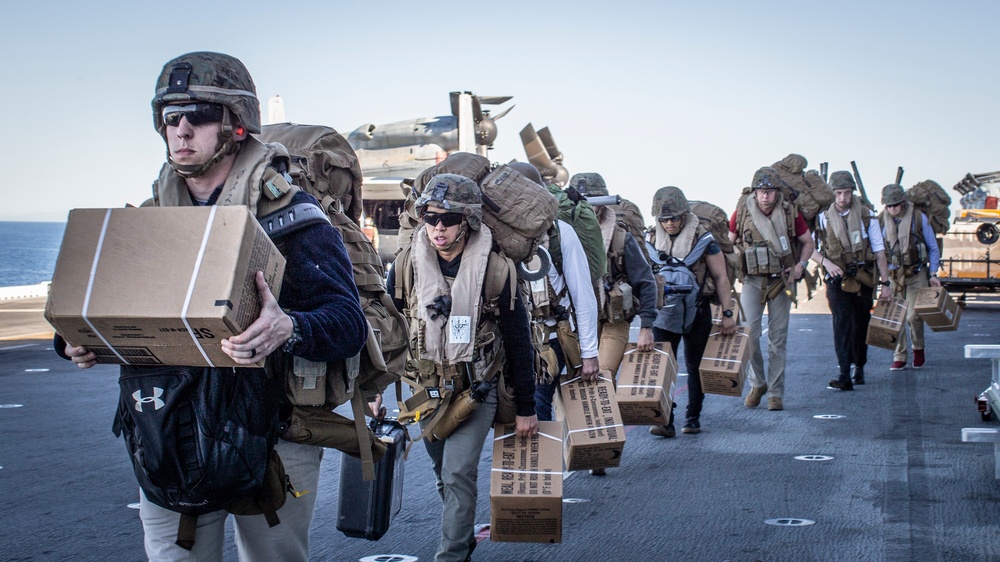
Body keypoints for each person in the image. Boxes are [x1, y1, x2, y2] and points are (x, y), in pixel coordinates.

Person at [58, 52, 367, 561]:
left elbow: (347, 323)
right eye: (169, 117)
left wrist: (286, 328)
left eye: (198, 115)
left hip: (272, 433)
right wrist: (75, 340)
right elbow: (103, 308)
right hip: (169, 428)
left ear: (236, 125)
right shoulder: (151, 220)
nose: (181, 130)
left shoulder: (295, 218)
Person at [386, 173, 538, 562]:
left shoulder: (496, 271)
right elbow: (388, 333)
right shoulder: (405, 267)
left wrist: (526, 408)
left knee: (457, 474)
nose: (438, 227)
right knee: (444, 476)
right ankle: (463, 534)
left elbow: (520, 343)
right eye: (430, 217)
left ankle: (451, 555)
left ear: (468, 221)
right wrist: (372, 391)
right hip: (426, 389)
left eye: (448, 219)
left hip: (477, 388)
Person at [508, 164, 601, 422]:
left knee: (537, 404)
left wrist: (589, 353)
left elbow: (583, 292)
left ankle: (540, 461)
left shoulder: (560, 233)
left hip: (548, 336)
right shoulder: (493, 234)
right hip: (509, 339)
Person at [648, 186, 737, 435]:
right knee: (663, 366)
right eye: (663, 219)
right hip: (665, 312)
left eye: (674, 218)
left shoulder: (704, 239)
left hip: (698, 309)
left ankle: (693, 417)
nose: (669, 223)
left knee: (695, 364)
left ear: (684, 215)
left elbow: (721, 277)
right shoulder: (651, 239)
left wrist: (728, 314)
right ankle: (666, 420)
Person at [729, 167, 815, 411]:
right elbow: (728, 242)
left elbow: (808, 242)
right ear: (754, 192)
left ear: (777, 193)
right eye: (761, 191)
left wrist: (801, 265)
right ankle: (758, 383)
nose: (765, 196)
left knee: (778, 340)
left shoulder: (790, 214)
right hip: (752, 280)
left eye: (769, 191)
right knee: (749, 336)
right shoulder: (743, 211)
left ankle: (775, 393)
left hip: (782, 280)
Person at [810, 171, 893, 390]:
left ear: (852, 193)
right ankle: (844, 372)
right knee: (841, 323)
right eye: (838, 193)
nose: (843, 198)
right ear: (832, 194)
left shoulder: (867, 216)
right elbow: (811, 250)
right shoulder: (822, 217)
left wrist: (885, 284)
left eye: (846, 193)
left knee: (861, 323)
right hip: (836, 278)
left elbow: (879, 251)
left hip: (863, 277)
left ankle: (860, 368)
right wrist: (827, 264)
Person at [570, 172, 658, 374]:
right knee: (576, 378)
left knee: (604, 375)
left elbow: (645, 281)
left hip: (613, 320)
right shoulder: (563, 234)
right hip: (577, 322)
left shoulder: (621, 238)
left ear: (603, 204)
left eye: (594, 201)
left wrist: (646, 327)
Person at [879, 183, 941, 371]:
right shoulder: (882, 221)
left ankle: (918, 348)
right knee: (895, 317)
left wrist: (933, 273)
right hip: (893, 274)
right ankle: (899, 355)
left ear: (903, 203)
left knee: (914, 315)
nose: (892, 209)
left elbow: (932, 246)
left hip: (916, 271)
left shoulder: (918, 218)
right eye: (889, 206)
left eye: (895, 205)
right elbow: (879, 249)